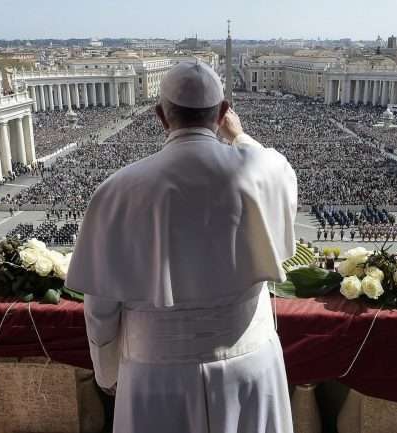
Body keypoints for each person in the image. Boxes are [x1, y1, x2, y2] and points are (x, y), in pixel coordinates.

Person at [67, 61, 297, 433]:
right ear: (223, 113)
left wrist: (107, 371)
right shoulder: (263, 171)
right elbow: (277, 169)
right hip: (249, 363)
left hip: (156, 372)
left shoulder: (117, 190)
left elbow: (101, 308)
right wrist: (238, 136)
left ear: (161, 115)